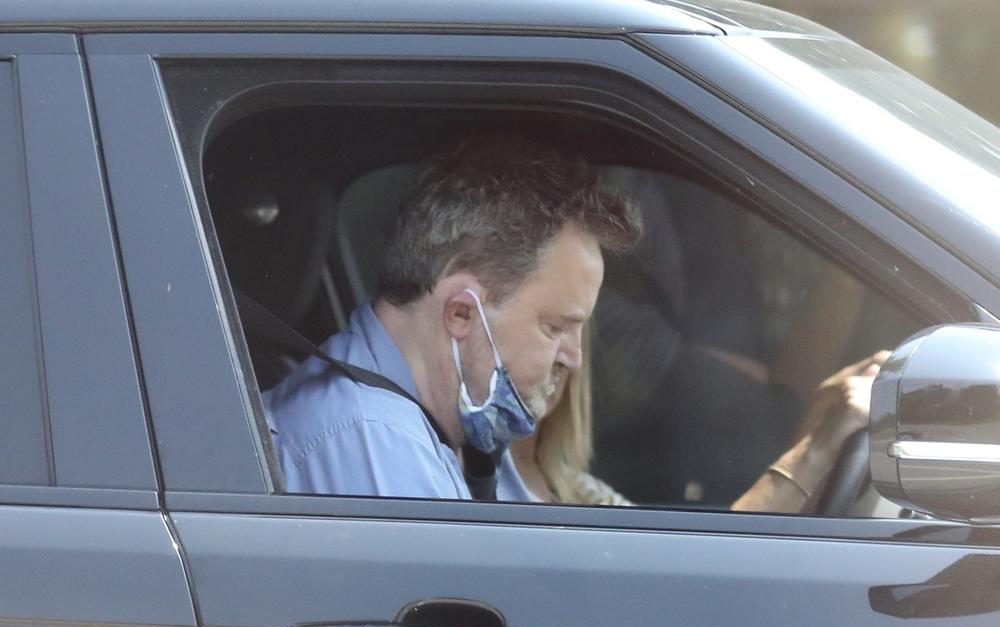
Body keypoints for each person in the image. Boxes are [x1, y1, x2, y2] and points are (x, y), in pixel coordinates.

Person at [263, 136, 643, 499]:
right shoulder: (378, 448)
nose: (575, 358)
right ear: (461, 313)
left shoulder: (442, 433)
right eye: (555, 328)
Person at [510, 328, 889, 512]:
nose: (573, 356)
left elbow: (682, 567)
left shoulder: (573, 488)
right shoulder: (489, 490)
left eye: (578, 327)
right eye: (552, 325)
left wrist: (820, 422)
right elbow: (680, 587)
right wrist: (816, 448)